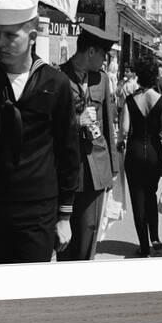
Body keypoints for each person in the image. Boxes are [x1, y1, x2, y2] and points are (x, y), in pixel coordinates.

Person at [0, 0, 80, 264]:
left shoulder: (56, 83)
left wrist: (65, 216)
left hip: (39, 208)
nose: (0, 43)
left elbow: (69, 153)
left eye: (10, 35)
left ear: (32, 37)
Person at [57, 23, 119, 261]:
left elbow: (108, 125)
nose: (105, 60)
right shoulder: (58, 77)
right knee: (63, 239)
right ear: (91, 52)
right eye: (103, 54)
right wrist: (76, 121)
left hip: (96, 169)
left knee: (88, 234)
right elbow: (50, 126)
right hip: (67, 170)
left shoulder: (102, 80)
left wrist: (112, 169)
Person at [117, 58, 162, 257]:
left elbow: (123, 131)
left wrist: (119, 143)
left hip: (134, 151)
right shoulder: (161, 101)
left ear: (139, 76)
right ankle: (155, 238)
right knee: (150, 194)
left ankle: (143, 246)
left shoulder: (130, 100)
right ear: (155, 78)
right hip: (154, 152)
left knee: (137, 198)